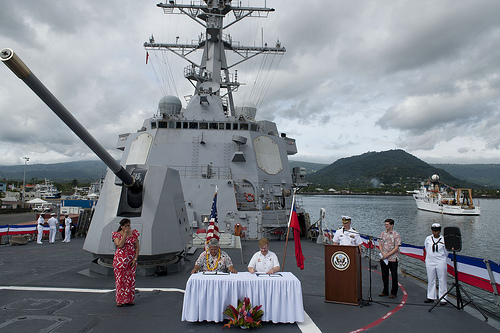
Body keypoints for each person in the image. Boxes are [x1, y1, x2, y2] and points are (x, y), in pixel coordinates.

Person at [112, 218, 140, 307]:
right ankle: (120, 300)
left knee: (130, 280)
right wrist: (125, 234)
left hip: (130, 261)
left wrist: (135, 259)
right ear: (122, 226)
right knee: (120, 280)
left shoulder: (134, 234)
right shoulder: (116, 235)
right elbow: (120, 245)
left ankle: (129, 299)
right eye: (125, 226)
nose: (128, 227)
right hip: (120, 261)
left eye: (129, 225)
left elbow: (137, 247)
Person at [424, 223, 449, 305]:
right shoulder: (428, 239)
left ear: (440, 231)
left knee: (442, 280)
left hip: (440, 261)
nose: (435, 233)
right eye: (434, 231)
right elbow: (427, 249)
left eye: (437, 231)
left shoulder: (444, 239)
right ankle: (431, 296)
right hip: (430, 261)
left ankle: (443, 298)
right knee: (431, 279)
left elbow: (446, 252)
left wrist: (441, 258)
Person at [378, 218, 401, 299]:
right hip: (384, 258)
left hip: (393, 258)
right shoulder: (382, 234)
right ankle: (385, 291)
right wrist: (383, 253)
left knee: (394, 276)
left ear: (392, 225)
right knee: (384, 275)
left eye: (387, 224)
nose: (386, 226)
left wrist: (388, 254)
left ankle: (393, 292)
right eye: (385, 224)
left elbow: (396, 247)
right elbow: (380, 243)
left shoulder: (396, 235)